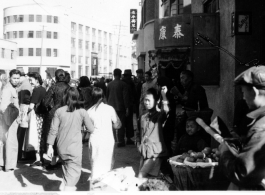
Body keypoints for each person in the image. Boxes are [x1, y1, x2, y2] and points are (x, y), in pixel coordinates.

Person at [215, 66, 265, 190]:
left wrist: (224, 152)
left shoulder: (260, 128)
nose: (243, 97)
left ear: (254, 91)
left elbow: (242, 173)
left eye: (243, 92)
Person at [46, 87, 94, 191]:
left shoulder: (59, 111)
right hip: (74, 148)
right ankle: (67, 188)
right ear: (77, 97)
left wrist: (50, 146)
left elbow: (53, 130)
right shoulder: (82, 112)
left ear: (64, 96)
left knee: (65, 167)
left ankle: (64, 185)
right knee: (74, 174)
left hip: (61, 147)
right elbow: (91, 129)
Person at [87, 87, 121, 182]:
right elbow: (117, 125)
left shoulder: (89, 111)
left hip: (95, 141)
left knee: (95, 166)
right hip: (108, 140)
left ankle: (95, 187)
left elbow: (87, 129)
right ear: (103, 96)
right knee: (107, 165)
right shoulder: (110, 109)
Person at [136, 88, 168, 178]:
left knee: (141, 177)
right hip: (144, 153)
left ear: (156, 101)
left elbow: (166, 110)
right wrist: (138, 143)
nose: (146, 103)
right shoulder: (143, 117)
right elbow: (138, 132)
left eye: (149, 100)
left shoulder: (159, 116)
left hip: (155, 154)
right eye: (145, 100)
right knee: (148, 181)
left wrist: (163, 95)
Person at [42, 69, 69, 170]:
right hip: (67, 113)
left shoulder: (53, 87)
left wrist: (49, 108)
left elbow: (45, 102)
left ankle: (51, 161)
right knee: (64, 136)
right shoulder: (69, 87)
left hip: (54, 113)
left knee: (51, 136)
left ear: (56, 77)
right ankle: (62, 160)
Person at [0, 69, 21, 172]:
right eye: (14, 78)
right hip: (10, 119)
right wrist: (10, 117)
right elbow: (3, 106)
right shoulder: (8, 89)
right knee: (11, 142)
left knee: (5, 141)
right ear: (10, 78)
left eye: (18, 78)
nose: (16, 80)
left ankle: (3, 164)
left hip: (9, 118)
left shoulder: (11, 87)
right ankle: (9, 165)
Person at [25, 72, 46, 167]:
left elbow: (31, 105)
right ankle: (41, 158)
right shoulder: (43, 88)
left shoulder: (36, 90)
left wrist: (25, 112)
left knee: (36, 136)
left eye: (31, 80)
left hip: (37, 115)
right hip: (43, 115)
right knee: (41, 136)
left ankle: (38, 159)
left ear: (36, 80)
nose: (30, 82)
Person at [106, 68, 129, 147]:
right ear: (120, 74)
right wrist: (127, 108)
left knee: (111, 125)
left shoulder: (109, 84)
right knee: (120, 125)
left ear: (113, 74)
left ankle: (112, 140)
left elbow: (107, 96)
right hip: (120, 107)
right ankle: (120, 141)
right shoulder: (123, 84)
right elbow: (125, 97)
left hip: (110, 107)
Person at [17, 72, 33, 161]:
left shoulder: (25, 85)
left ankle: (20, 155)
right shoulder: (24, 84)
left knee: (21, 133)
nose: (17, 80)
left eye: (18, 78)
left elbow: (26, 100)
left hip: (24, 110)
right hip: (23, 109)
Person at [122, 69, 136, 145]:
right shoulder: (131, 83)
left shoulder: (122, 82)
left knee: (122, 122)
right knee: (129, 123)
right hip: (129, 104)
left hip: (122, 105)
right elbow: (134, 94)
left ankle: (122, 139)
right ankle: (128, 138)